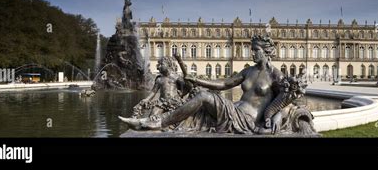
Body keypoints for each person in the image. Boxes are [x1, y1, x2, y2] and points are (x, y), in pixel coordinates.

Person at [119, 35, 314, 135]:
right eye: (251, 50)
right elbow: (222, 84)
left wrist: (275, 115)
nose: (252, 53)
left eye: (255, 50)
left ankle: (157, 122)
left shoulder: (275, 75)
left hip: (247, 121)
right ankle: (163, 122)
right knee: (200, 96)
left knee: (203, 98)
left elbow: (287, 98)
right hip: (234, 112)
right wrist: (197, 80)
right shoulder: (248, 71)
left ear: (266, 51)